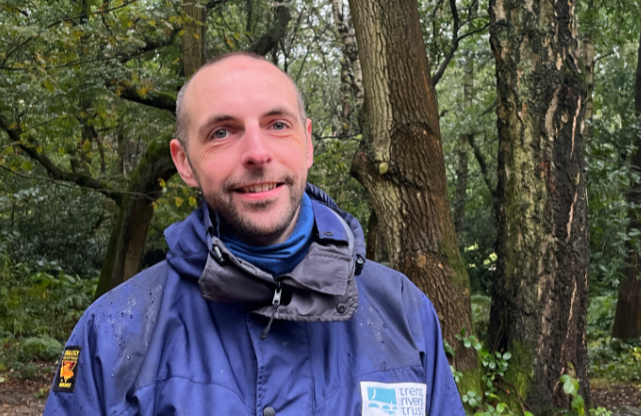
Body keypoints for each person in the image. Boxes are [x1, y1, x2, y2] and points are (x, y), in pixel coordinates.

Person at [43, 52, 465, 416]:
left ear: (307, 144)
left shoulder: (405, 313)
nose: (258, 153)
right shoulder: (112, 333)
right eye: (221, 132)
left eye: (278, 125)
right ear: (184, 161)